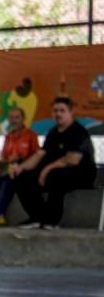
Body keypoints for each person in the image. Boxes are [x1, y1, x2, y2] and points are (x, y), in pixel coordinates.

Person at [11, 98, 96, 229]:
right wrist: (20, 167)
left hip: (81, 174)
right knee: (22, 177)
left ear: (70, 112)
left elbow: (73, 159)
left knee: (55, 175)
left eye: (62, 110)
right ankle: (37, 217)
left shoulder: (79, 132)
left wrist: (46, 170)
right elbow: (40, 154)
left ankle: (52, 220)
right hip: (54, 172)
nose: (58, 114)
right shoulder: (53, 133)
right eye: (55, 111)